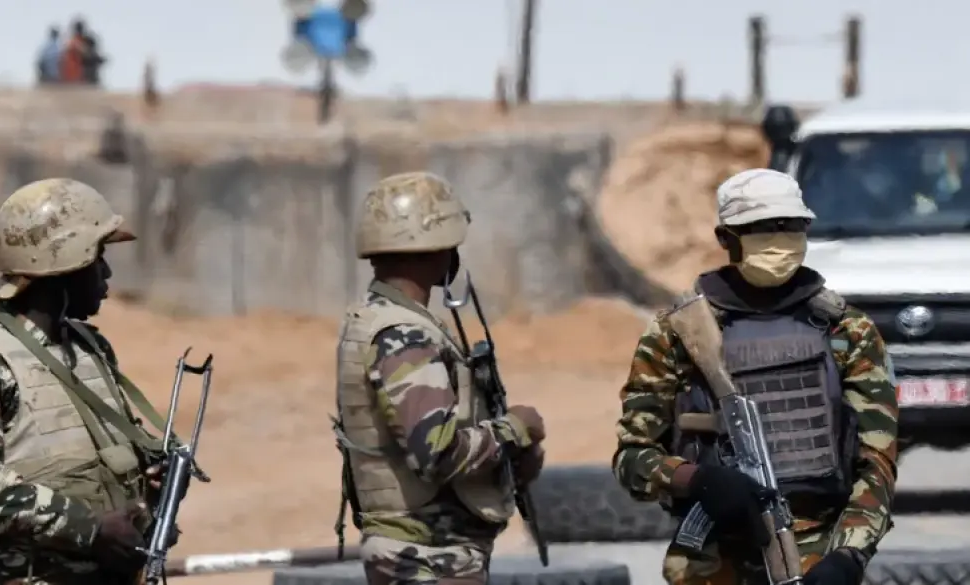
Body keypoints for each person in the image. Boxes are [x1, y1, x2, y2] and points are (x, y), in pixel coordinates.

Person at [613, 168, 898, 585]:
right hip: (713, 562)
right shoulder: (677, 333)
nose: (779, 239)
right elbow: (632, 458)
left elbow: (877, 464)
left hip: (818, 557)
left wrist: (849, 555)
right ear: (725, 238)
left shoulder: (847, 331)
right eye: (762, 228)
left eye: (791, 226)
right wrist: (697, 479)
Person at [0, 178, 178, 584]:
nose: (107, 273)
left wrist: (150, 497)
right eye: (98, 257)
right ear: (65, 264)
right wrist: (90, 530)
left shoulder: (90, 347)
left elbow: (102, 462)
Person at [333, 171, 547, 585]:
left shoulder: (380, 320)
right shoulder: (404, 335)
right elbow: (436, 452)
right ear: (432, 247)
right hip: (428, 558)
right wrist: (516, 428)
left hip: (424, 554)